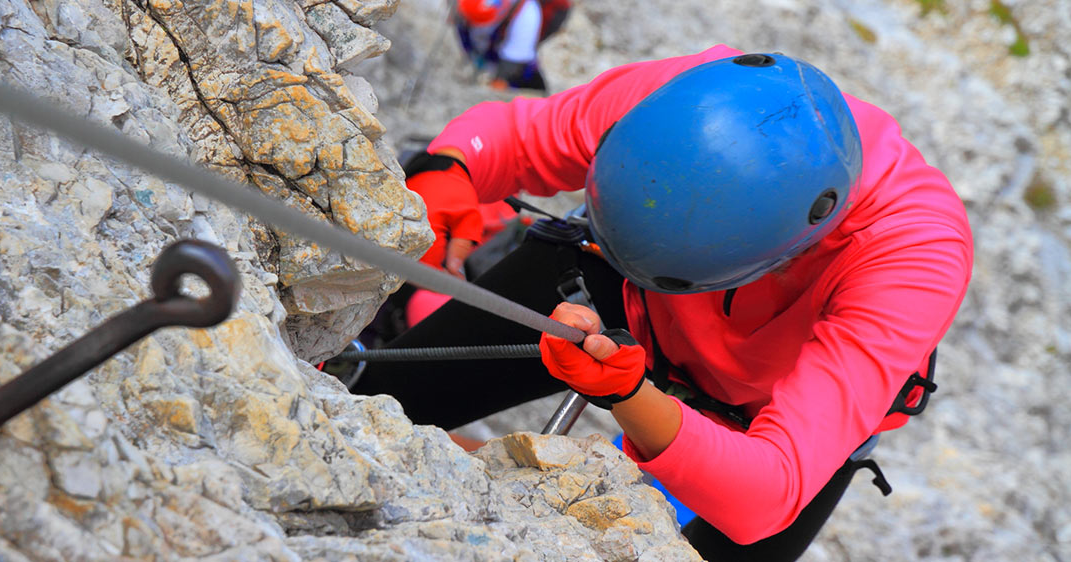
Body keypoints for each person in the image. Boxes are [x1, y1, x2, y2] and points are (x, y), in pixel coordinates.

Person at [351, 45, 973, 560]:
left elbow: (768, 490)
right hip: (611, 279)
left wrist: (630, 396)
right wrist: (446, 173)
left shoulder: (911, 259)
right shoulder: (685, 102)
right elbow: (516, 138)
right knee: (367, 405)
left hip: (769, 405)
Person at [453, 0, 571, 91]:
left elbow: (512, 64)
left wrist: (497, 83)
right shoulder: (468, 10)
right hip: (482, 44)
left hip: (509, 58)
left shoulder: (526, 17)